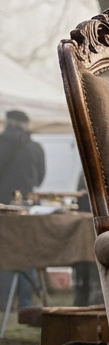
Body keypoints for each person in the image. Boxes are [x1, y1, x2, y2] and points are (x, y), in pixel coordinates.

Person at [0, 110, 46, 311]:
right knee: (28, 252)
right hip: (26, 207)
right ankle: (26, 303)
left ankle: (3, 302)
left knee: (3, 252)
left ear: (7, 122)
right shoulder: (34, 147)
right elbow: (40, 177)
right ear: (26, 124)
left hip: (1, 207)